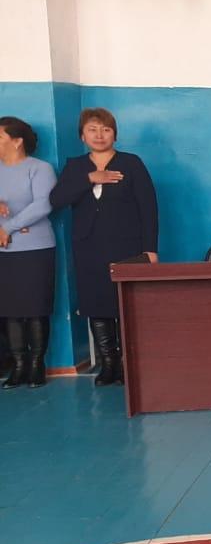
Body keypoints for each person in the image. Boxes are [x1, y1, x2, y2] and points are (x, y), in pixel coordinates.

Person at [50, 108, 159, 386]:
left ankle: (127, 364)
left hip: (127, 246)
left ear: (115, 134)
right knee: (96, 302)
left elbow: (148, 207)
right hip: (88, 246)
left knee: (126, 303)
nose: (99, 135)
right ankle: (108, 364)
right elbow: (57, 199)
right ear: (82, 136)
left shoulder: (131, 163)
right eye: (92, 130)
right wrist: (90, 179)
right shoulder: (75, 167)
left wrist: (150, 248)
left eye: (106, 129)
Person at [0, 117, 56, 388]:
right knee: (9, 309)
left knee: (35, 308)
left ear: (17, 141)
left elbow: (43, 205)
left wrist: (8, 226)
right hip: (4, 251)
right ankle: (19, 365)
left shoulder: (40, 168)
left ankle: (36, 365)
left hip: (36, 248)